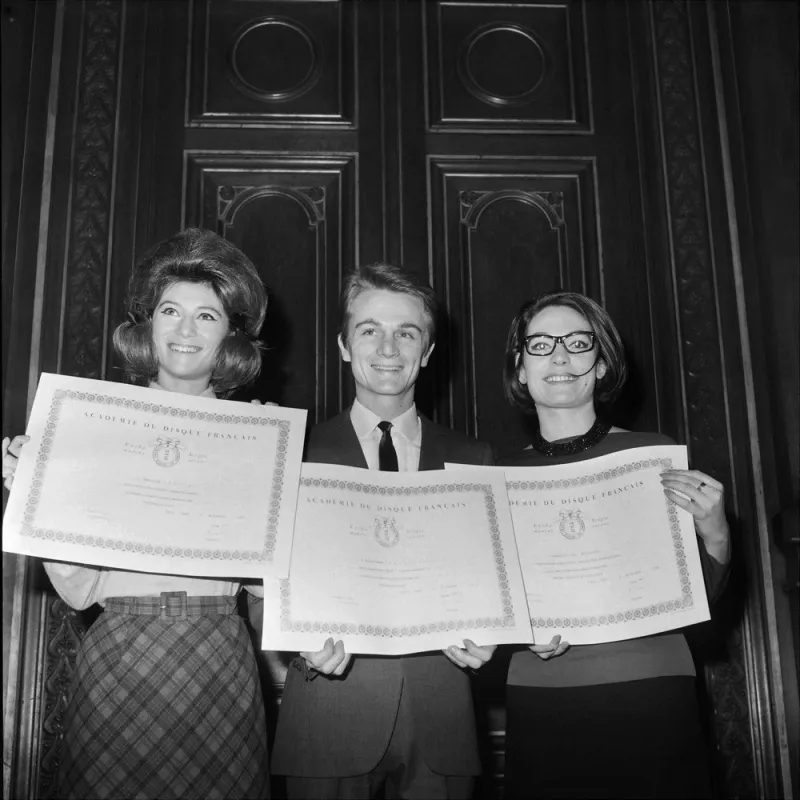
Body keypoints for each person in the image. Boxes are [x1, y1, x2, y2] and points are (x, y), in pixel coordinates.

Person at [2, 228, 272, 800]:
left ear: (231, 335)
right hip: (120, 653)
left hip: (217, 655)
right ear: (148, 322)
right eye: (171, 309)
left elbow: (266, 587)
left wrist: (274, 484)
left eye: (208, 316)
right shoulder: (93, 430)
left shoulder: (258, 435)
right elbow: (79, 592)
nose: (184, 329)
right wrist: (36, 493)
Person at [268, 262, 496, 800]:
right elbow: (262, 581)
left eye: (407, 333)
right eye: (370, 330)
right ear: (345, 346)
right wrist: (296, 642)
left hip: (442, 714)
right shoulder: (292, 453)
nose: (388, 348)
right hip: (326, 710)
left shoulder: (475, 460)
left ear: (429, 351)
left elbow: (490, 586)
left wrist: (493, 634)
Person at [498, 291, 731, 799]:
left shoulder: (654, 454)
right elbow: (485, 607)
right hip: (543, 695)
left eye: (578, 343)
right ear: (520, 369)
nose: (559, 356)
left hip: (653, 689)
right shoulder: (494, 478)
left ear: (600, 365)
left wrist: (715, 532)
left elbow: (700, 607)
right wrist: (517, 630)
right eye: (540, 344)